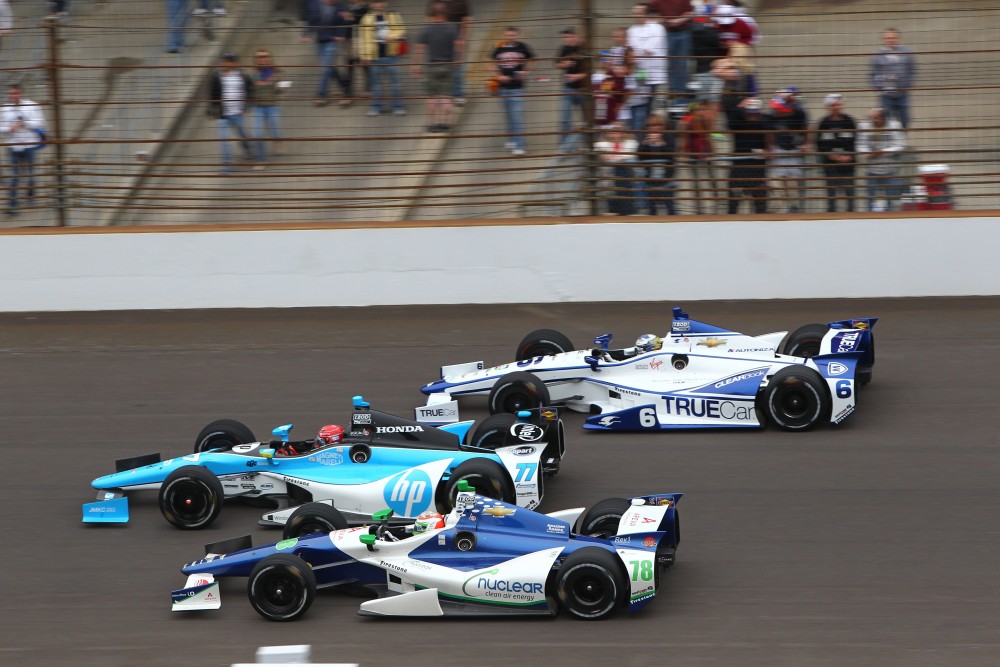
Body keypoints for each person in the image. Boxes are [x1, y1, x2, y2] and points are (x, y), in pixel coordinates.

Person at [412, 2, 461, 133]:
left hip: (432, 66)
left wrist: (416, 66)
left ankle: (433, 124)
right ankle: (446, 124)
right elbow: (458, 45)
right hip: (448, 65)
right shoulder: (453, 28)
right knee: (446, 96)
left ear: (434, 15)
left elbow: (419, 50)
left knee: (431, 97)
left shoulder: (427, 29)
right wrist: (457, 60)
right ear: (444, 14)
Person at [0, 84, 46, 215]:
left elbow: (40, 123)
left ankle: (31, 194)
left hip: (29, 145)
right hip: (13, 146)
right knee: (14, 175)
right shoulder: (4, 109)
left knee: (31, 173)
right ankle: (12, 205)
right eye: (11, 94)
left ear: (21, 94)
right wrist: (9, 128)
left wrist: (24, 122)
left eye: (16, 93)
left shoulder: (31, 105)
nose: (13, 96)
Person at [357, 0, 407, 116]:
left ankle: (398, 106)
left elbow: (401, 29)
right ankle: (376, 106)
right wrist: (364, 56)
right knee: (375, 83)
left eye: (381, 2)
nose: (379, 5)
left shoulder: (393, 15)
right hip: (374, 57)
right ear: (371, 4)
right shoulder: (366, 19)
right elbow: (362, 39)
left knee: (395, 82)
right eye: (376, 2)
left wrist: (392, 36)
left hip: (391, 55)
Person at [491, 26, 535, 156]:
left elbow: (533, 59)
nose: (510, 37)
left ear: (517, 35)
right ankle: (512, 139)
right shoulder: (499, 47)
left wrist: (526, 72)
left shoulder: (522, 46)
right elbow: (490, 61)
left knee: (517, 116)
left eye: (513, 35)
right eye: (508, 35)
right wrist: (497, 75)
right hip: (503, 88)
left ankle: (519, 145)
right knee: (509, 115)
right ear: (504, 35)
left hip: (517, 87)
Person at [723, 95, 771, 214]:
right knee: (734, 195)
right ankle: (731, 219)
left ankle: (761, 219)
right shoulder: (739, 120)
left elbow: (770, 137)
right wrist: (739, 107)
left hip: (758, 166)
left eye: (755, 113)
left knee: (760, 197)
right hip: (739, 165)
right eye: (749, 112)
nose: (752, 116)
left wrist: (768, 150)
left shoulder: (765, 120)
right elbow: (730, 123)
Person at [301, 0, 354, 107]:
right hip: (320, 41)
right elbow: (311, 21)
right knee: (330, 68)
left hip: (332, 40)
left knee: (325, 68)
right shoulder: (315, 4)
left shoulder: (340, 5)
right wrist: (307, 34)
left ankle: (321, 95)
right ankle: (346, 88)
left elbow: (345, 22)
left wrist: (341, 34)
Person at [208, 53, 254, 173]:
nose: (228, 63)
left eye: (231, 61)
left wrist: (246, 105)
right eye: (226, 61)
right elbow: (213, 94)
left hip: (238, 112)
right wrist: (211, 111)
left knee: (242, 134)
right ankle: (228, 165)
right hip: (223, 114)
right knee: (223, 139)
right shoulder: (217, 76)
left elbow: (249, 90)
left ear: (235, 63)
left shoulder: (242, 76)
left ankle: (247, 147)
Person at [626, 3, 667, 131]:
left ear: (646, 14)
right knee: (642, 100)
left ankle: (648, 128)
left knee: (651, 101)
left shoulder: (657, 28)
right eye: (634, 13)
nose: (635, 15)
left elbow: (650, 49)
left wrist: (638, 51)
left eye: (638, 12)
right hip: (640, 71)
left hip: (655, 71)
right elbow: (631, 50)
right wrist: (638, 52)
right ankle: (641, 128)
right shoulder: (631, 30)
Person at [767, 88, 808, 212]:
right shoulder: (771, 115)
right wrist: (771, 148)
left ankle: (794, 207)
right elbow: (769, 133)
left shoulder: (799, 113)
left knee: (792, 183)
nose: (776, 109)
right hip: (779, 149)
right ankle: (779, 208)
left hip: (794, 149)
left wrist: (806, 144)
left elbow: (805, 129)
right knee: (777, 182)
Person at [857, 107, 905, 212]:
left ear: (884, 118)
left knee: (890, 197)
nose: (873, 120)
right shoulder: (864, 126)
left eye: (876, 118)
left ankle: (891, 217)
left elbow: (900, 145)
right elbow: (860, 145)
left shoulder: (895, 125)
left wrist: (885, 151)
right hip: (871, 169)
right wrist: (867, 153)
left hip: (890, 168)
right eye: (871, 118)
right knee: (870, 197)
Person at [816, 93, 857, 212]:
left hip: (848, 163)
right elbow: (820, 144)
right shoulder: (823, 123)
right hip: (830, 164)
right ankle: (831, 212)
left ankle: (851, 213)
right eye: (833, 105)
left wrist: (849, 155)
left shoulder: (849, 121)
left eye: (838, 104)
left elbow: (855, 140)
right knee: (831, 192)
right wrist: (831, 155)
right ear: (828, 106)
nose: (836, 107)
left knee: (849, 191)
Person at [870, 28, 916, 128]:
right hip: (886, 96)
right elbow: (873, 73)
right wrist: (878, 88)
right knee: (888, 122)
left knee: (905, 120)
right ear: (884, 40)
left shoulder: (906, 53)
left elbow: (912, 69)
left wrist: (908, 85)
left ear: (898, 39)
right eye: (888, 38)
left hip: (902, 94)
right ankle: (890, 143)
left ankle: (900, 142)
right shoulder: (878, 55)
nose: (891, 40)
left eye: (893, 38)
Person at [677, 99, 717, 213]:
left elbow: (714, 135)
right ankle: (699, 210)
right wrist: (683, 154)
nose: (701, 111)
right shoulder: (688, 121)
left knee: (712, 181)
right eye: (699, 109)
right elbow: (683, 138)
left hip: (706, 153)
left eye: (704, 109)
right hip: (692, 154)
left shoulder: (707, 121)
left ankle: (716, 207)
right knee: (696, 183)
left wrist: (713, 152)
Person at [250, 49, 286, 168]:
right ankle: (261, 160)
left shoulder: (275, 72)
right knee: (257, 134)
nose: (262, 59)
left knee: (275, 130)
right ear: (256, 59)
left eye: (265, 56)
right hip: (258, 108)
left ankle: (278, 141)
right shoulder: (253, 74)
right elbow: (248, 90)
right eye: (259, 57)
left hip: (272, 106)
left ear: (269, 58)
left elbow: (283, 87)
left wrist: (280, 87)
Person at [650, 0, 693, 96]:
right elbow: (649, 12)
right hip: (667, 32)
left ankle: (681, 90)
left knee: (682, 62)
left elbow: (690, 12)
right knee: (670, 62)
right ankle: (672, 90)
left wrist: (679, 20)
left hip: (684, 31)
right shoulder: (656, 1)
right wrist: (661, 20)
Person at [636, 115, 677, 215]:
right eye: (650, 126)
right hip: (651, 178)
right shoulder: (644, 137)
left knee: (670, 206)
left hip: (666, 177)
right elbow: (640, 156)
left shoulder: (668, 137)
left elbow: (671, 155)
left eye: (657, 125)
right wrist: (646, 143)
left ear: (662, 126)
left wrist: (662, 143)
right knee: (652, 207)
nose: (654, 128)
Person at [595, 122, 638, 215]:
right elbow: (599, 151)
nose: (616, 132)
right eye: (613, 129)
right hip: (609, 178)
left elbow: (627, 157)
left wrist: (611, 158)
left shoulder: (631, 143)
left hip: (625, 175)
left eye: (618, 128)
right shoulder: (602, 144)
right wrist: (617, 158)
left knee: (621, 168)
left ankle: (626, 210)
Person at [555, 27, 590, 139]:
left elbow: (590, 71)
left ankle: (588, 142)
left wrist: (577, 76)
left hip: (583, 89)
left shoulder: (584, 49)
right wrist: (563, 65)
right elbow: (556, 63)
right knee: (565, 118)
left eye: (569, 36)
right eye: (565, 37)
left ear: (576, 36)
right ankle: (564, 146)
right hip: (568, 88)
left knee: (587, 118)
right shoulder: (564, 48)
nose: (567, 39)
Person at [442, 0, 471, 105]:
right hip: (442, 38)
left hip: (456, 37)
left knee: (457, 67)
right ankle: (446, 93)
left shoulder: (462, 2)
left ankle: (458, 94)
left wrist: (463, 38)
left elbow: (466, 20)